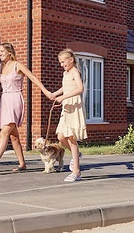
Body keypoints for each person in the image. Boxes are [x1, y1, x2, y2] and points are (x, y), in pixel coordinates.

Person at [0, 42, 53, 173]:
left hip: (15, 100)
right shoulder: (0, 67)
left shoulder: (18, 65)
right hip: (5, 101)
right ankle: (22, 164)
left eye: (2, 51)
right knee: (13, 136)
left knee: (4, 132)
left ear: (9, 52)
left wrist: (46, 92)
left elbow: (33, 78)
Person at [53, 48, 88, 182]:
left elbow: (80, 88)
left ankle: (76, 171)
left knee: (71, 137)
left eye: (63, 62)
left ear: (71, 60)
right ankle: (76, 154)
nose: (62, 65)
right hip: (66, 107)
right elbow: (66, 87)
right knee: (61, 137)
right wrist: (55, 94)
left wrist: (63, 97)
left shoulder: (75, 72)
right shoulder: (66, 73)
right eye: (60, 63)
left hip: (74, 105)